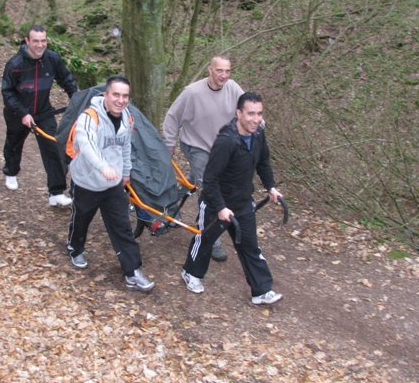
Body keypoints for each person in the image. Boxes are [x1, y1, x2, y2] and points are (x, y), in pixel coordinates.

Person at [181, 92, 284, 306]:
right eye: (251, 114)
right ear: (239, 113)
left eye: (259, 114)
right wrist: (220, 207)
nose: (255, 119)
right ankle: (191, 273)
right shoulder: (226, 142)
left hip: (242, 202)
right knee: (205, 240)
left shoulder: (258, 135)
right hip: (215, 202)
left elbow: (263, 162)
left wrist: (271, 187)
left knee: (250, 246)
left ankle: (262, 291)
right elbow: (209, 179)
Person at [66, 76, 155, 292]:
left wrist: (125, 172)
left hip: (113, 184)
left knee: (122, 226)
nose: (121, 100)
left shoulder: (127, 118)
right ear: (105, 95)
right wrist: (102, 166)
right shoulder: (90, 117)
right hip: (86, 181)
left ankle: (132, 273)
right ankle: (75, 247)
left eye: (125, 96)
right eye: (116, 94)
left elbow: (125, 147)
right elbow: (86, 145)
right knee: (81, 219)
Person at [162, 55, 244, 261]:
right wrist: (169, 143)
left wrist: (257, 125)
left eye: (227, 71)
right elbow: (172, 116)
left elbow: (247, 109)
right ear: (210, 69)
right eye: (219, 70)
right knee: (209, 189)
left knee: (197, 180)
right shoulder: (192, 92)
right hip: (196, 145)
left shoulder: (233, 88)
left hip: (220, 149)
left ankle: (169, 200)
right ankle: (211, 241)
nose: (223, 75)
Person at [1, 24, 77, 206]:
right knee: (14, 144)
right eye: (35, 41)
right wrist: (23, 114)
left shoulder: (52, 59)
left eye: (43, 41)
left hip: (43, 112)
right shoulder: (15, 64)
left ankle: (56, 193)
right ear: (27, 41)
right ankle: (11, 172)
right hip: (18, 113)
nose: (40, 45)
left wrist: (76, 101)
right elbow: (7, 92)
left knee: (54, 148)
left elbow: (66, 79)